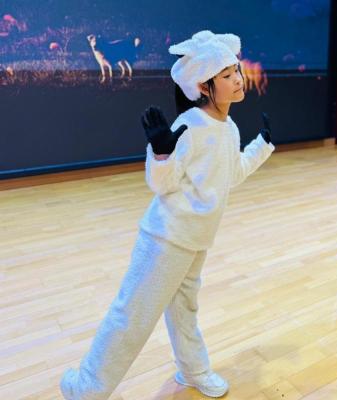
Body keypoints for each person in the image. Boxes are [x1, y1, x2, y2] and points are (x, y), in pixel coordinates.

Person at [60, 30, 274, 399]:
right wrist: (160, 154)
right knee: (133, 316)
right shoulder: (189, 125)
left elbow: (230, 175)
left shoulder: (228, 128)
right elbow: (163, 184)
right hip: (165, 240)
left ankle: (193, 370)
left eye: (237, 71)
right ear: (204, 86)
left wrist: (262, 145)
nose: (239, 79)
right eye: (227, 75)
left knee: (184, 310)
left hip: (196, 240)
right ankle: (86, 389)